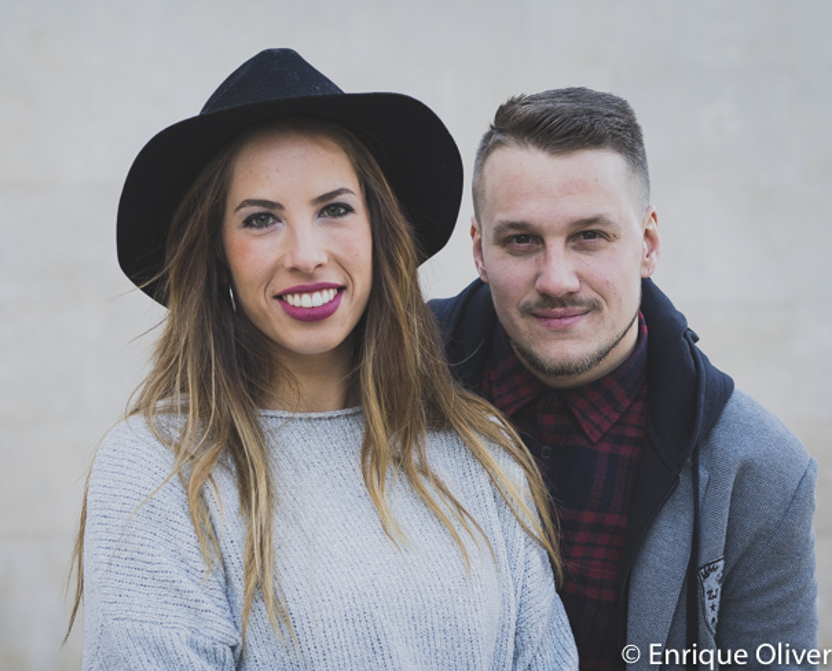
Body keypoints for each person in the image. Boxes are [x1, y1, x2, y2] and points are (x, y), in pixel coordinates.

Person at [68, 49, 577, 669]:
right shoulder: (161, 471)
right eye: (261, 220)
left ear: (377, 232)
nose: (306, 254)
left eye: (334, 209)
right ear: (218, 255)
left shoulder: (483, 455)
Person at [429, 87, 818, 670]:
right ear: (480, 252)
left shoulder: (760, 473)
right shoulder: (384, 381)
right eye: (522, 240)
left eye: (590, 236)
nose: (557, 279)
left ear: (648, 244)